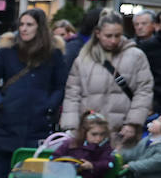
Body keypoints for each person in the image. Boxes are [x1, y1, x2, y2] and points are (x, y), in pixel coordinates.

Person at [0, 9, 68, 178]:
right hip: (8, 121)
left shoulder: (53, 55)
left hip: (38, 123)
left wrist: (49, 106)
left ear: (40, 27)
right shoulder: (6, 52)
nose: (24, 29)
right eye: (21, 24)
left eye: (29, 25)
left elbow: (60, 86)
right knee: (1, 177)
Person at [60, 10, 154, 147]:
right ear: (98, 33)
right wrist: (71, 127)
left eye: (117, 35)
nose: (113, 40)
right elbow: (72, 94)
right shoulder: (83, 59)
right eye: (108, 36)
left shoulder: (136, 56)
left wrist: (133, 123)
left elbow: (144, 91)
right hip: (88, 134)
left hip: (123, 134)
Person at [54, 112, 114, 178]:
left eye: (102, 134)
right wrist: (71, 165)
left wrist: (92, 165)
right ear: (84, 132)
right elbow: (55, 159)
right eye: (94, 134)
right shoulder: (70, 144)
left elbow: (108, 163)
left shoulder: (105, 148)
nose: (98, 138)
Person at [131, 10, 161, 114]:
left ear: (154, 25)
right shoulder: (129, 47)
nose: (139, 27)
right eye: (136, 24)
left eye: (144, 23)